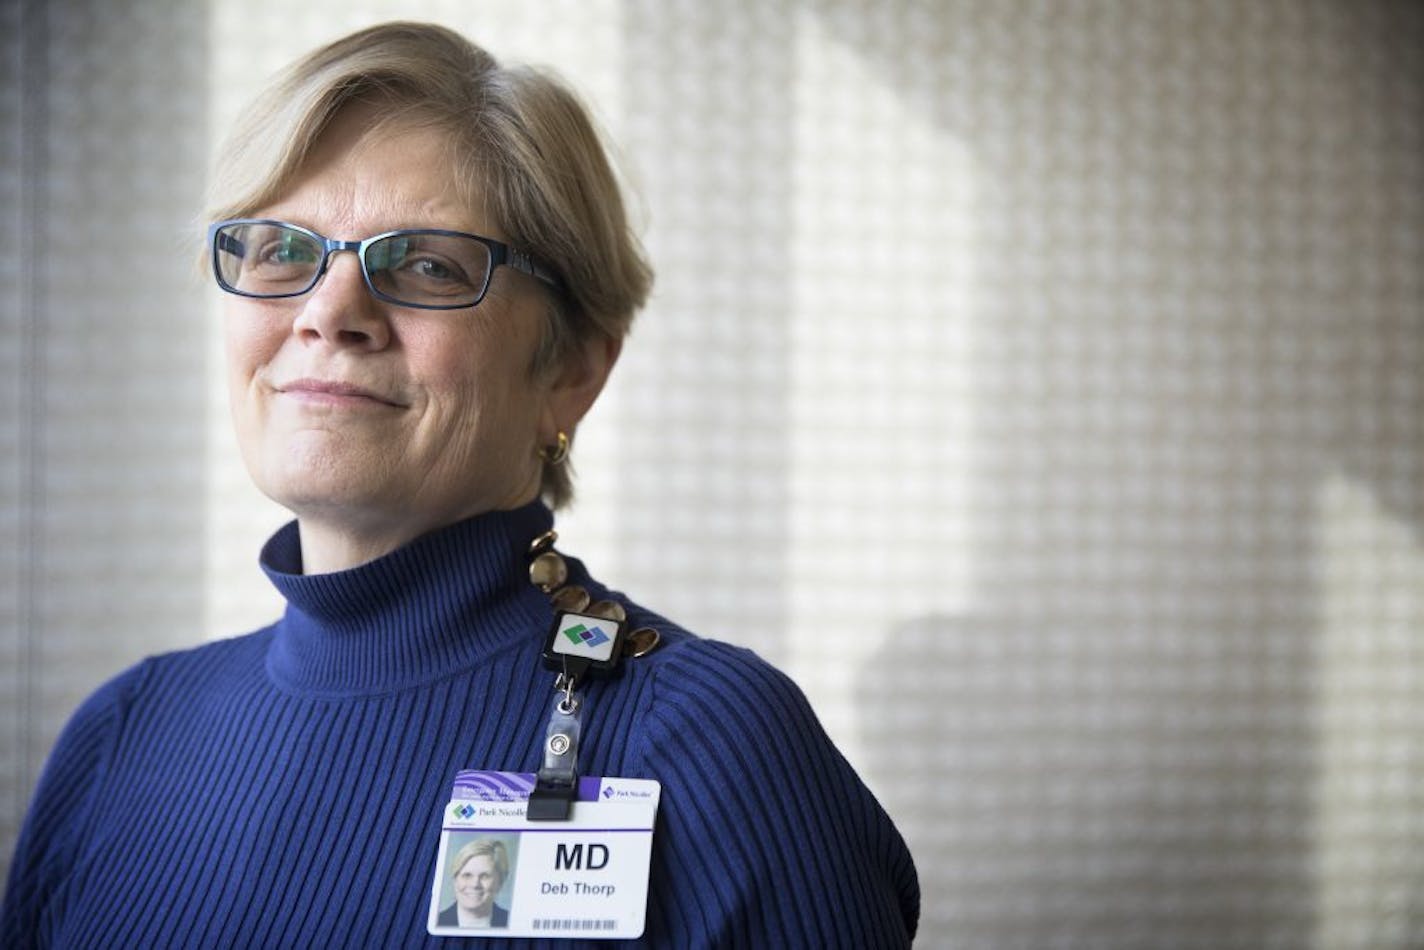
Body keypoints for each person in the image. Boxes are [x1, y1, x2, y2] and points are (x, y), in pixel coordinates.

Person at [2, 21, 919, 948]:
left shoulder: (709, 743)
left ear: (570, 369)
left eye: (429, 265)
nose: (329, 313)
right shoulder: (122, 734)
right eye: (281, 249)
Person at [438, 839, 511, 929]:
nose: (475, 884)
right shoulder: (438, 921)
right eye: (467, 875)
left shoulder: (513, 921)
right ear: (455, 879)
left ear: (500, 882)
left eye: (485, 876)